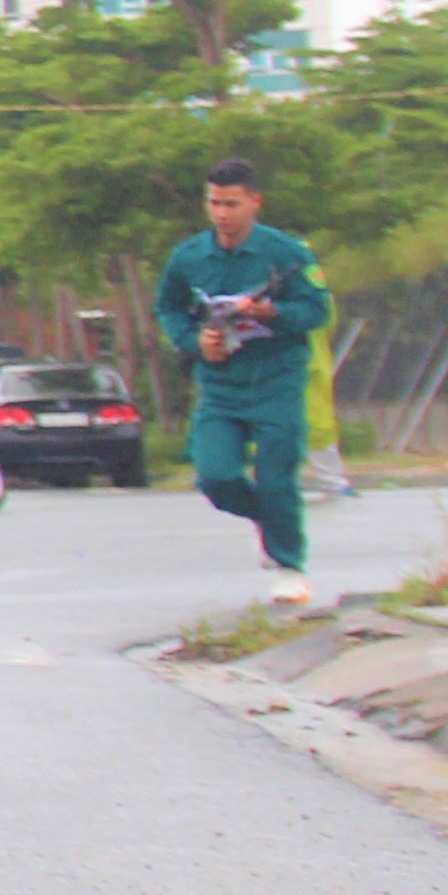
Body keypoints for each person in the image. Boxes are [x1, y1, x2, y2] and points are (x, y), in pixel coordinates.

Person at [156, 155, 327, 605]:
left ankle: (290, 564)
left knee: (277, 478)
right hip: (221, 385)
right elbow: (169, 308)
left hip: (277, 380)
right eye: (214, 203)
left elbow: (317, 310)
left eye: (232, 204)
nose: (222, 215)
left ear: (255, 202)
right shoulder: (189, 256)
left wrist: (272, 312)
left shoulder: (287, 254)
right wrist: (195, 341)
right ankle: (267, 519)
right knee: (215, 476)